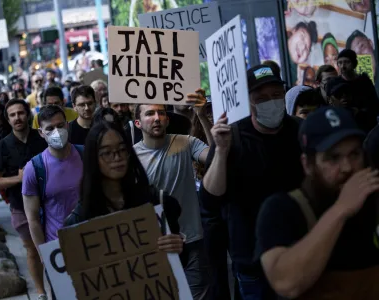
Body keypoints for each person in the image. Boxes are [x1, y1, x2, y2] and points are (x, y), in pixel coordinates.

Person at [200, 65, 304, 299]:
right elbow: (211, 199)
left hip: (300, 251)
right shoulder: (230, 136)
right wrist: (221, 152)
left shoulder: (300, 130)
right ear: (247, 101)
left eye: (276, 95)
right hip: (251, 261)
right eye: (262, 98)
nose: (271, 102)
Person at [256, 106, 379, 299]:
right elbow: (285, 283)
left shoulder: (373, 200)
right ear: (308, 164)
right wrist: (341, 209)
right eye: (333, 158)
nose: (347, 167)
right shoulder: (282, 210)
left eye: (354, 154)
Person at [133, 95, 213, 300]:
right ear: (138, 123)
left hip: (191, 242)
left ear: (168, 119)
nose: (157, 117)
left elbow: (214, 158)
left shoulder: (186, 143)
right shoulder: (130, 159)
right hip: (154, 247)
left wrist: (202, 118)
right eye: (150, 113)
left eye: (161, 112)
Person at [64, 121, 183, 255]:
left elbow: (179, 263)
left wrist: (178, 246)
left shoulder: (157, 201)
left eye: (122, 149)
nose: (117, 157)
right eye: (107, 152)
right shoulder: (79, 218)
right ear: (93, 159)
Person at [0, 99, 48, 300]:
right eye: (12, 115)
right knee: (31, 250)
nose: (17, 118)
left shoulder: (41, 139)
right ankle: (41, 292)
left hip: (50, 204)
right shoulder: (2, 147)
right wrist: (19, 178)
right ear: (7, 119)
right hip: (20, 207)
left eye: (20, 113)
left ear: (28, 114)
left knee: (57, 246)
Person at [22, 105, 83, 293]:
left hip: (91, 241)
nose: (57, 132)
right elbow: (32, 219)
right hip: (58, 248)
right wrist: (44, 254)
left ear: (67, 124)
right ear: (41, 133)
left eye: (60, 125)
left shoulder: (86, 154)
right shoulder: (34, 168)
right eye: (50, 128)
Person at [336, 49, 379, 127]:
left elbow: (375, 106)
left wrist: (360, 112)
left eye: (347, 62)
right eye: (340, 63)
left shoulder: (364, 81)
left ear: (354, 64)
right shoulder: (334, 83)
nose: (343, 66)